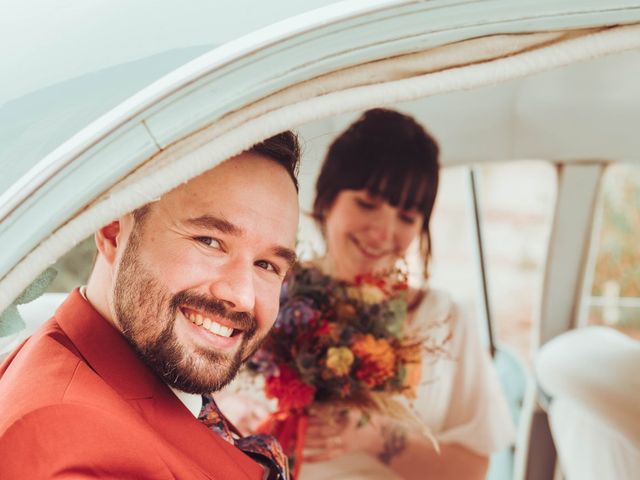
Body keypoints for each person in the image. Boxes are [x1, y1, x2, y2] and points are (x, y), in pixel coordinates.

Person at [218, 109, 515, 480]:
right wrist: (236, 413)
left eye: (406, 217)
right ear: (327, 200)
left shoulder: (445, 319)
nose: (382, 231)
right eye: (367, 203)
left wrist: (375, 438)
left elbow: (471, 470)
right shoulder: (262, 294)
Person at [0, 132, 301, 479]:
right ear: (113, 230)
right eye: (210, 242)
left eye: (267, 265)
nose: (243, 296)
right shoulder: (71, 452)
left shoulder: (121, 372)